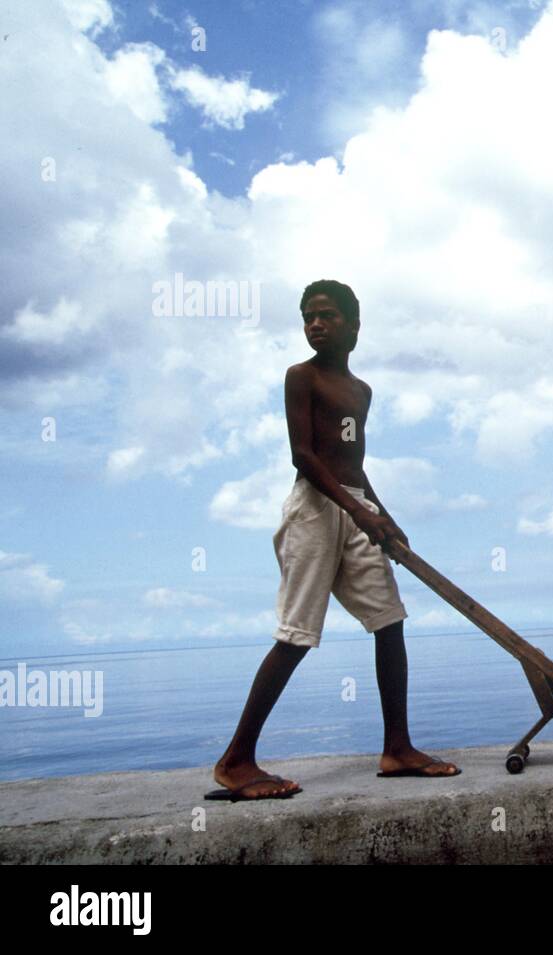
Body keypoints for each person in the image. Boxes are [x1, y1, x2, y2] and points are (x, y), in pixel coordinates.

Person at [209, 279, 459, 801]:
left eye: (325, 315)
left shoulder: (361, 391)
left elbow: (355, 465)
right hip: (315, 509)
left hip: (354, 505)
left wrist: (384, 518)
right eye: (307, 316)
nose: (315, 324)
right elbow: (304, 456)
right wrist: (358, 513)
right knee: (297, 632)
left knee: (390, 621)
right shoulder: (301, 377)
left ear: (353, 326)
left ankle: (397, 749)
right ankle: (236, 761)